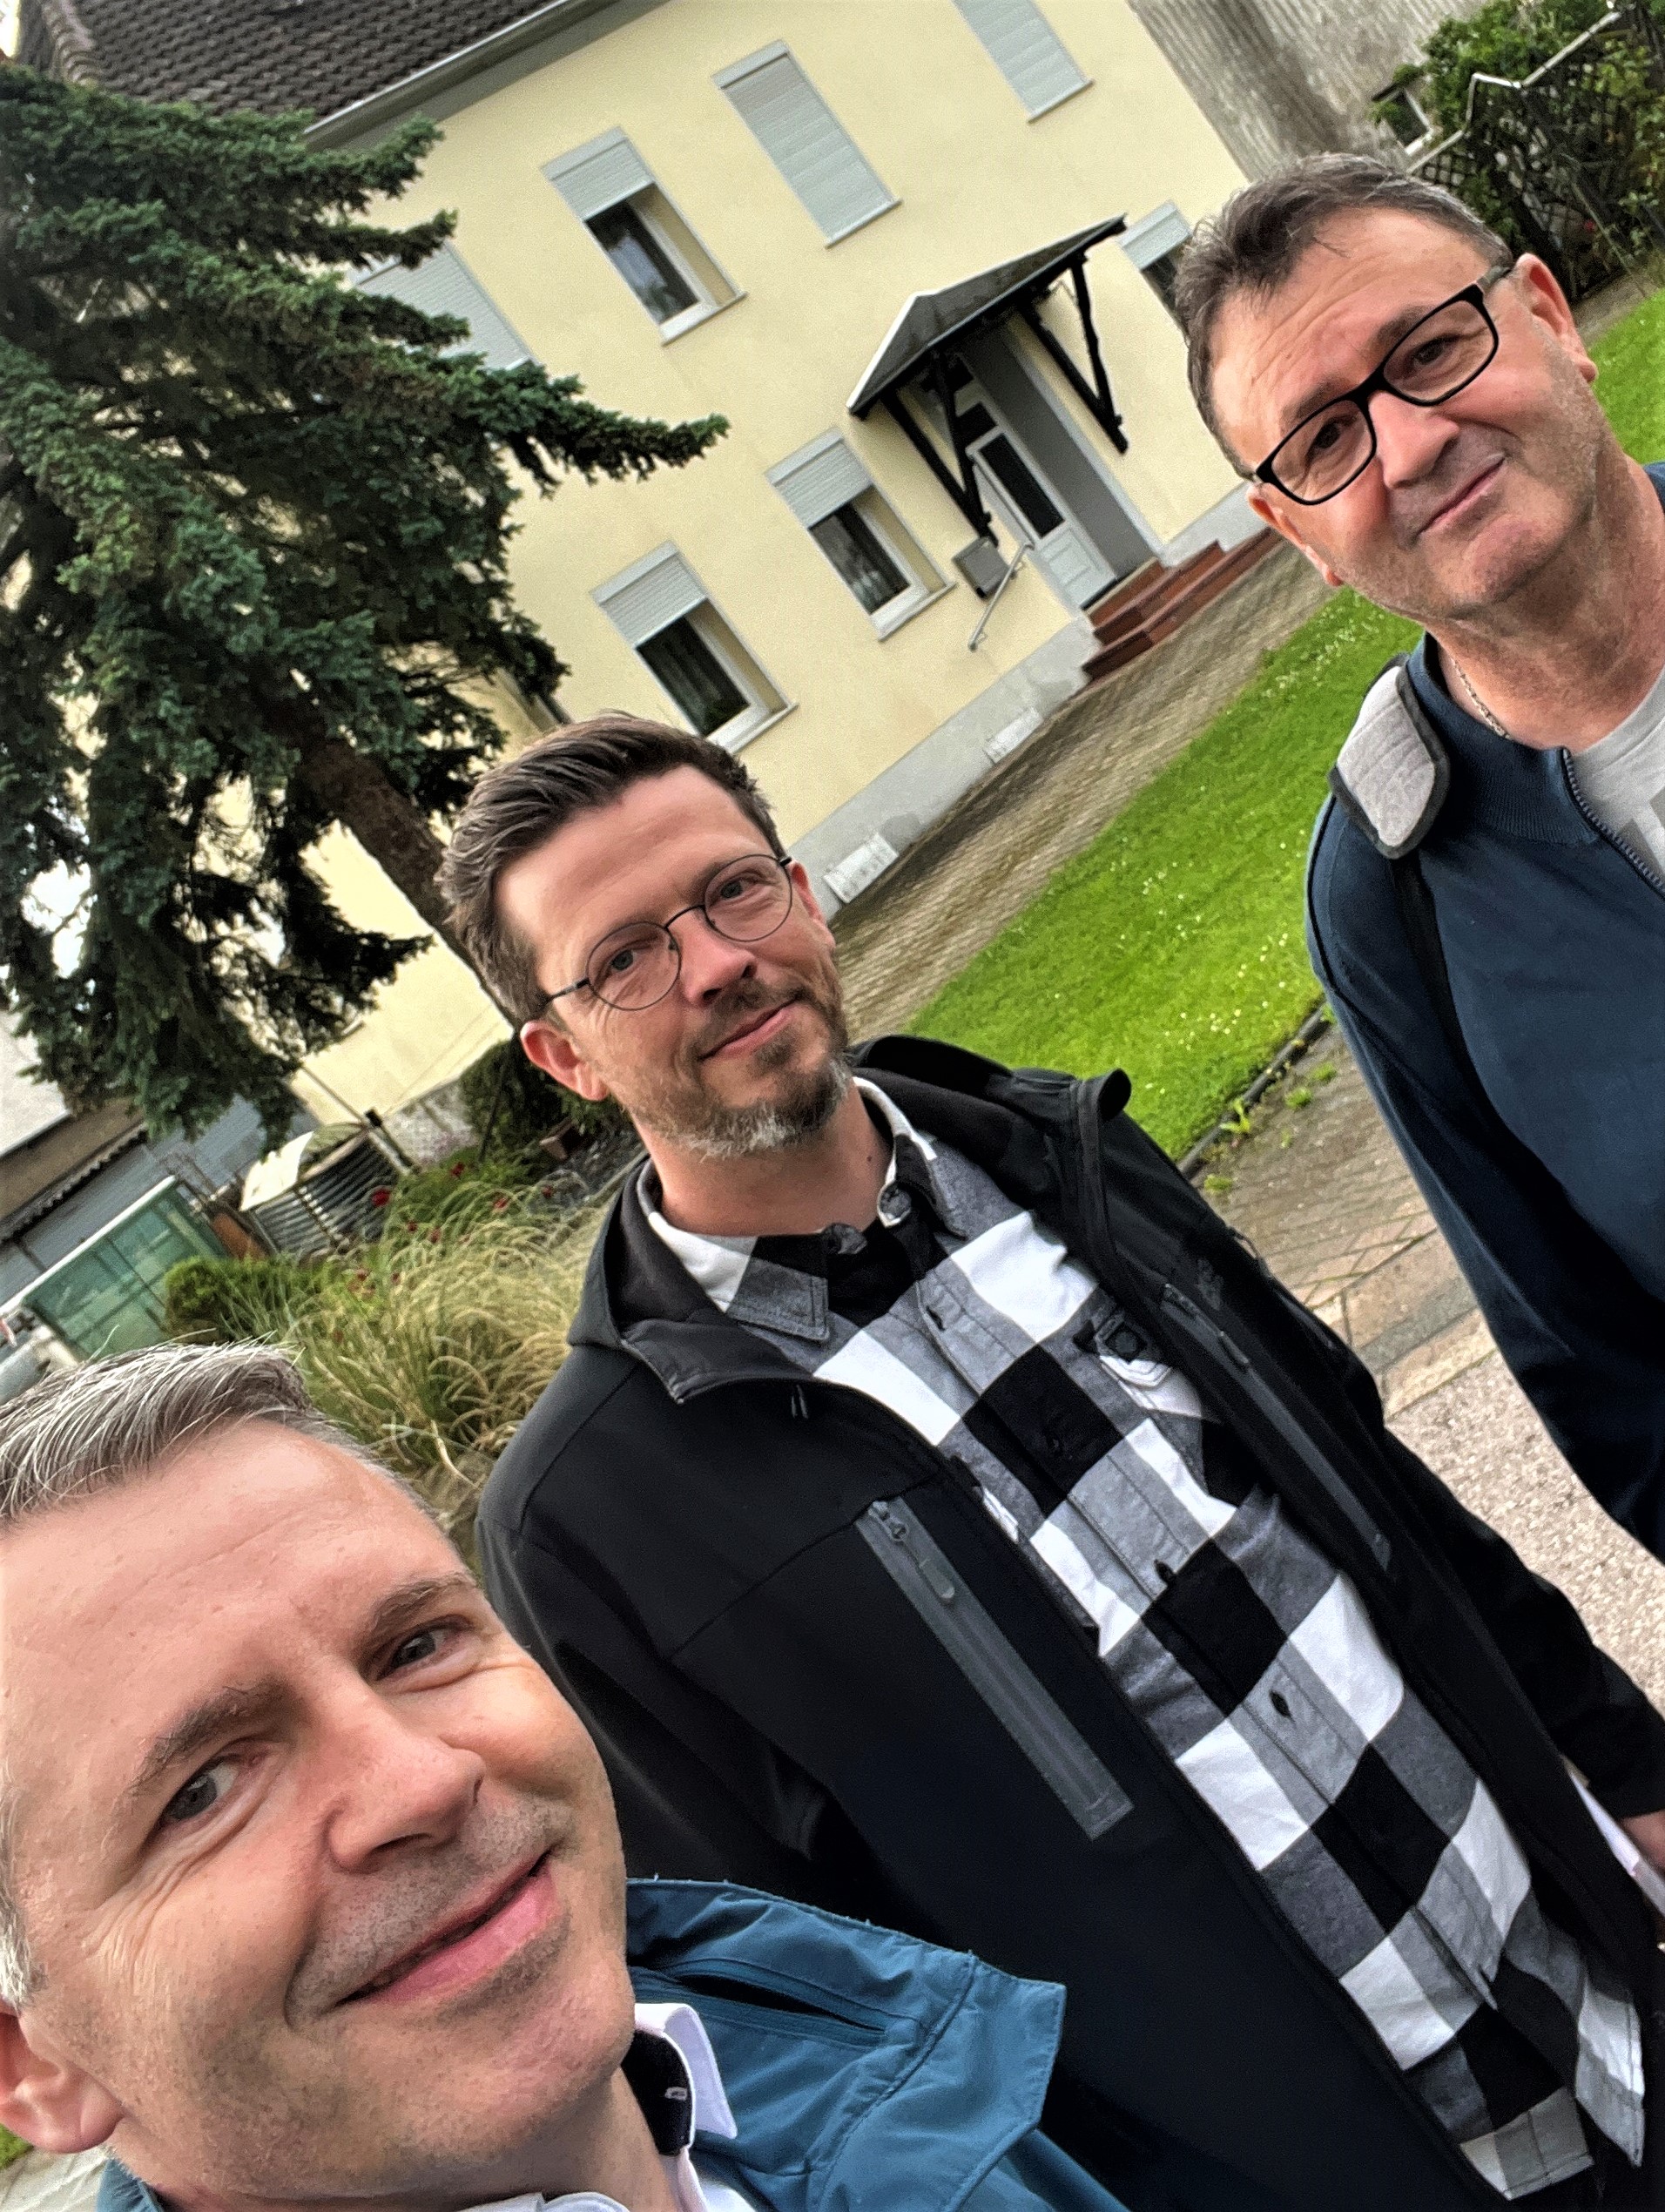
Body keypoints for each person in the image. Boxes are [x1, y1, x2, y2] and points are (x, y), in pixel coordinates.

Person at [440, 714, 1665, 2212]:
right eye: (625, 957)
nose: (714, 964)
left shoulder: (1067, 1159)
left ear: (805, 896)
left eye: (734, 890)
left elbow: (1385, 1502)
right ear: (563, 1055)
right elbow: (806, 2031)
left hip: (1605, 2018)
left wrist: (1632, 1769)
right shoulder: (593, 1525)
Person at [0, 1343, 1132, 2212]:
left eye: (417, 1647)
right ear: (31, 2066)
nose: (423, 1784)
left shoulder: (886, 2070)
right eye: (203, 1789)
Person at [1170, 153, 1665, 1559]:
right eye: (1324, 439)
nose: (1408, 447)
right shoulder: (1390, 897)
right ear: (1296, 532)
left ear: (1548, 314)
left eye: (1432, 351)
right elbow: (1607, 1382)